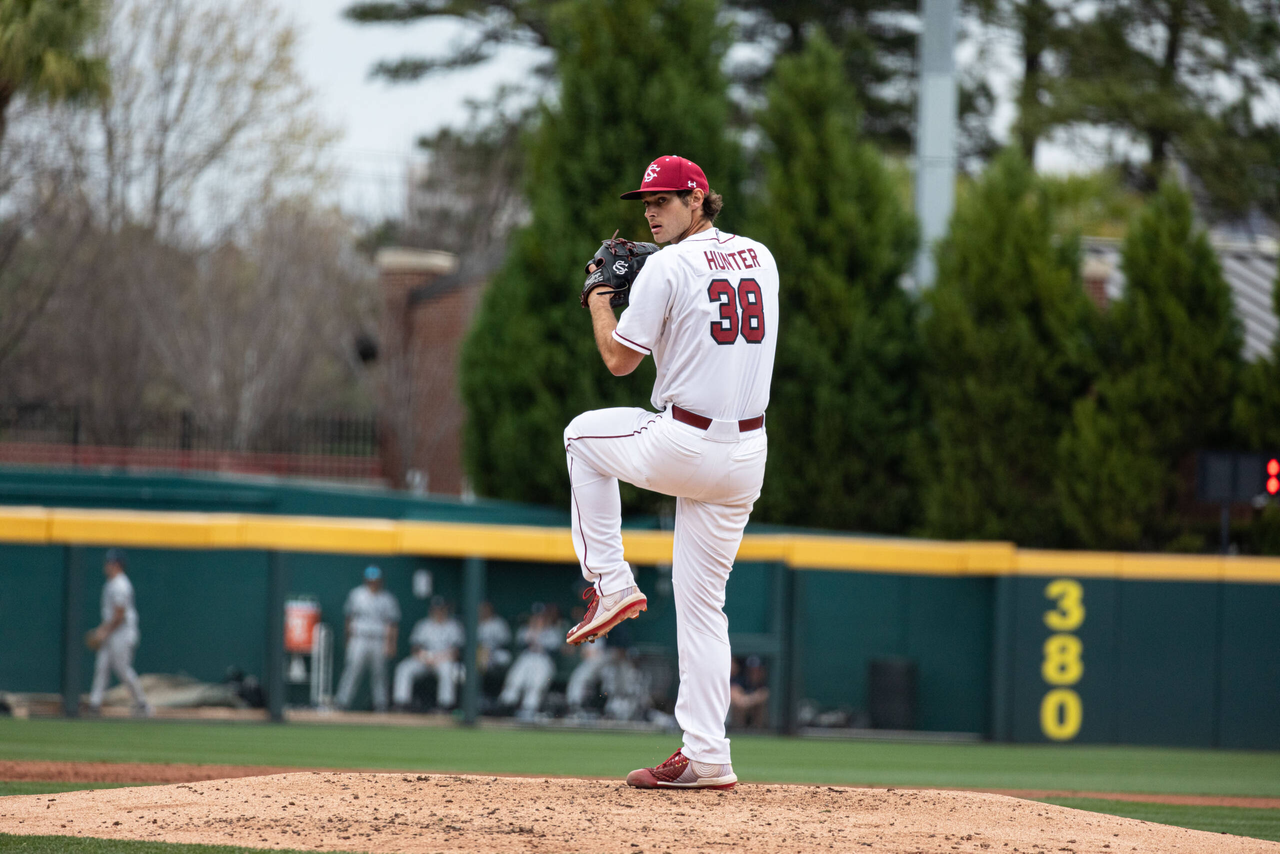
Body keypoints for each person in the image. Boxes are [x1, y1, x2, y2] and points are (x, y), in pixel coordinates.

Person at [564, 155, 778, 790]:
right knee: (705, 606)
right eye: (647, 202)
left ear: (698, 198)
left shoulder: (665, 267)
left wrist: (602, 298)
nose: (652, 211)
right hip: (747, 458)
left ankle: (609, 580)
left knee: (581, 437)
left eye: (665, 200)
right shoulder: (761, 257)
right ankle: (708, 755)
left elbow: (619, 361)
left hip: (686, 442)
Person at [88, 549, 152, 717]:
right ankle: (94, 704)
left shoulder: (120, 585)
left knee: (123, 670)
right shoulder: (111, 583)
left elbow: (119, 615)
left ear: (117, 564)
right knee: (101, 667)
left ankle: (142, 704)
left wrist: (102, 631)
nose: (106, 565)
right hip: (114, 632)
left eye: (109, 562)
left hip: (122, 633)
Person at [334, 565, 400, 712]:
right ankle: (342, 702)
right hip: (359, 637)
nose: (373, 582)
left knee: (379, 673)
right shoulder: (357, 594)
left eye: (375, 580)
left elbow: (392, 623)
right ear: (366, 580)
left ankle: (381, 705)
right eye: (370, 580)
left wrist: (391, 644)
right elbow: (349, 618)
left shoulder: (387, 598)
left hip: (379, 639)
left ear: (380, 580)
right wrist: (348, 638)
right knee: (352, 670)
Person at [392, 596, 463, 711]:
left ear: (446, 610)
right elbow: (415, 648)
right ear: (431, 610)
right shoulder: (423, 625)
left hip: (444, 659)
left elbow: (456, 652)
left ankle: (445, 705)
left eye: (441, 608)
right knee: (404, 668)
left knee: (447, 670)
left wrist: (439, 658)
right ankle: (401, 702)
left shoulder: (453, 626)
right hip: (424, 659)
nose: (438, 611)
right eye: (436, 608)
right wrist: (423, 657)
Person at [497, 604, 563, 719]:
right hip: (527, 658)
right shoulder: (525, 630)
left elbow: (555, 651)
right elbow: (520, 645)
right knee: (514, 681)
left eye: (541, 617)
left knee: (535, 685)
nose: (538, 620)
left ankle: (529, 709)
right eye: (536, 617)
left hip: (543, 660)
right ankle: (506, 706)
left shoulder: (553, 632)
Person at [729, 655, 770, 729]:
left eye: (757, 670)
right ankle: (738, 730)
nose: (754, 673)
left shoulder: (763, 682)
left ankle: (757, 730)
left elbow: (764, 693)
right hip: (741, 712)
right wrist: (751, 699)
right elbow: (739, 700)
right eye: (752, 670)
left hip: (753, 710)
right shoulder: (741, 680)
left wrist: (748, 700)